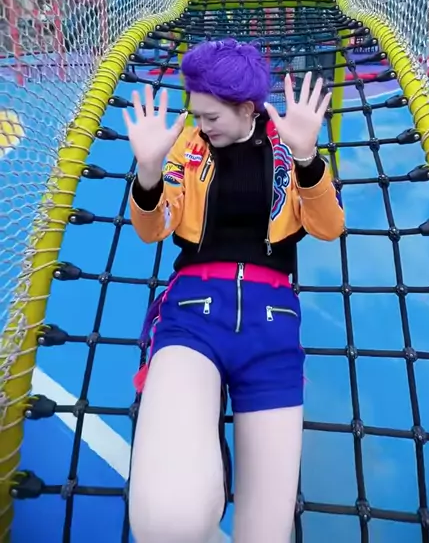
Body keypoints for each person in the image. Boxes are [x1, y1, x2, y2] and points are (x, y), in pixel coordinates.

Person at [124, 38, 344, 543]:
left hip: (272, 329)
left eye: (211, 116)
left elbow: (329, 226)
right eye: (196, 114)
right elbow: (155, 227)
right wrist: (149, 173)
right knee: (167, 521)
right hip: (192, 317)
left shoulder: (289, 144)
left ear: (246, 108)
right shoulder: (187, 148)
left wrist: (308, 158)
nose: (202, 125)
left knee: (266, 534)